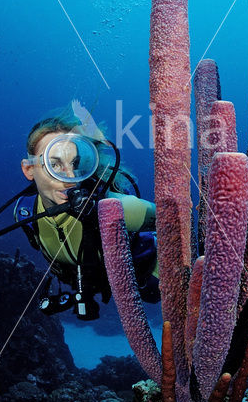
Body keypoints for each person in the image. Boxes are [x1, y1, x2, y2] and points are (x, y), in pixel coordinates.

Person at [14, 115, 160, 320]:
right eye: (54, 164)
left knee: (153, 292)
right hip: (87, 281)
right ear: (29, 169)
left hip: (142, 276)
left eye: (75, 163)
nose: (70, 177)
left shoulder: (110, 207)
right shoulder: (25, 214)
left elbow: (174, 221)